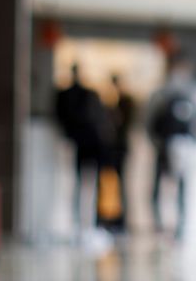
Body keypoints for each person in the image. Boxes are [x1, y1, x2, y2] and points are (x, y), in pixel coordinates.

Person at [144, 49, 196, 236]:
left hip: (174, 146)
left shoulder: (165, 92)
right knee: (169, 187)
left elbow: (148, 121)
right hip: (174, 146)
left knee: (175, 187)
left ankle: (171, 225)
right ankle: (169, 225)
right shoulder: (190, 91)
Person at [55, 63, 114, 245]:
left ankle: (84, 223)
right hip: (88, 144)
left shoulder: (75, 95)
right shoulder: (82, 95)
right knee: (85, 184)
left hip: (85, 145)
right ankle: (84, 223)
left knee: (85, 184)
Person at [99, 72, 136, 233]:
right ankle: (105, 216)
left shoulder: (126, 102)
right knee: (105, 182)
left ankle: (121, 219)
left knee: (121, 183)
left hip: (120, 147)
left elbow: (127, 124)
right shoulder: (108, 103)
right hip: (107, 147)